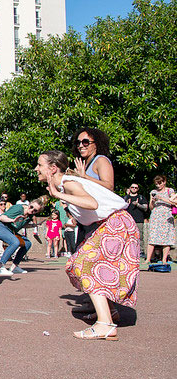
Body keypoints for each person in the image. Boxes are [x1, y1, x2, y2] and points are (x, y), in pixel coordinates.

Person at [37, 150, 138, 340]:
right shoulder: (67, 183)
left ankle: (105, 324)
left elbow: (91, 204)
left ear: (52, 168)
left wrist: (60, 195)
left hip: (114, 222)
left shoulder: (67, 184)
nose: (36, 168)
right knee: (78, 264)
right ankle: (110, 312)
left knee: (85, 265)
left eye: (40, 165)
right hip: (111, 223)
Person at [71, 128, 114, 245]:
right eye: (78, 143)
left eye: (85, 142)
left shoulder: (101, 160)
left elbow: (109, 186)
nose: (81, 146)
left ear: (96, 144)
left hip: (100, 220)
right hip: (87, 220)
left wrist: (85, 177)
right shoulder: (84, 164)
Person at [0, 196, 47, 275]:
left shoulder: (29, 216)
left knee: (27, 243)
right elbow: (2, 217)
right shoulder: (18, 209)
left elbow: (21, 225)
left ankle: (14, 267)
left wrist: (34, 225)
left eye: (35, 210)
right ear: (29, 204)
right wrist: (12, 220)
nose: (32, 210)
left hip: (10, 230)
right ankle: (0, 267)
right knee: (15, 242)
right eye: (31, 207)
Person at [145, 175, 175, 265]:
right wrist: (153, 201)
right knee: (152, 237)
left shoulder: (170, 191)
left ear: (164, 182)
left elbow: (174, 202)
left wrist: (162, 199)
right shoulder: (153, 192)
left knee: (166, 238)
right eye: (156, 184)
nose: (158, 185)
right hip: (155, 216)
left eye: (160, 183)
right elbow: (151, 207)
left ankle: (164, 260)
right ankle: (148, 259)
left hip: (166, 216)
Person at [123, 183, 148, 258]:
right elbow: (120, 208)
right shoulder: (125, 197)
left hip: (138, 220)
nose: (134, 188)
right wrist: (126, 204)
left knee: (139, 237)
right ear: (129, 188)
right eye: (132, 187)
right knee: (127, 236)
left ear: (138, 189)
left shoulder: (141, 198)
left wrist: (137, 204)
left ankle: (141, 252)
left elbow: (146, 208)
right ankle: (127, 251)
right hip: (127, 220)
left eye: (136, 188)